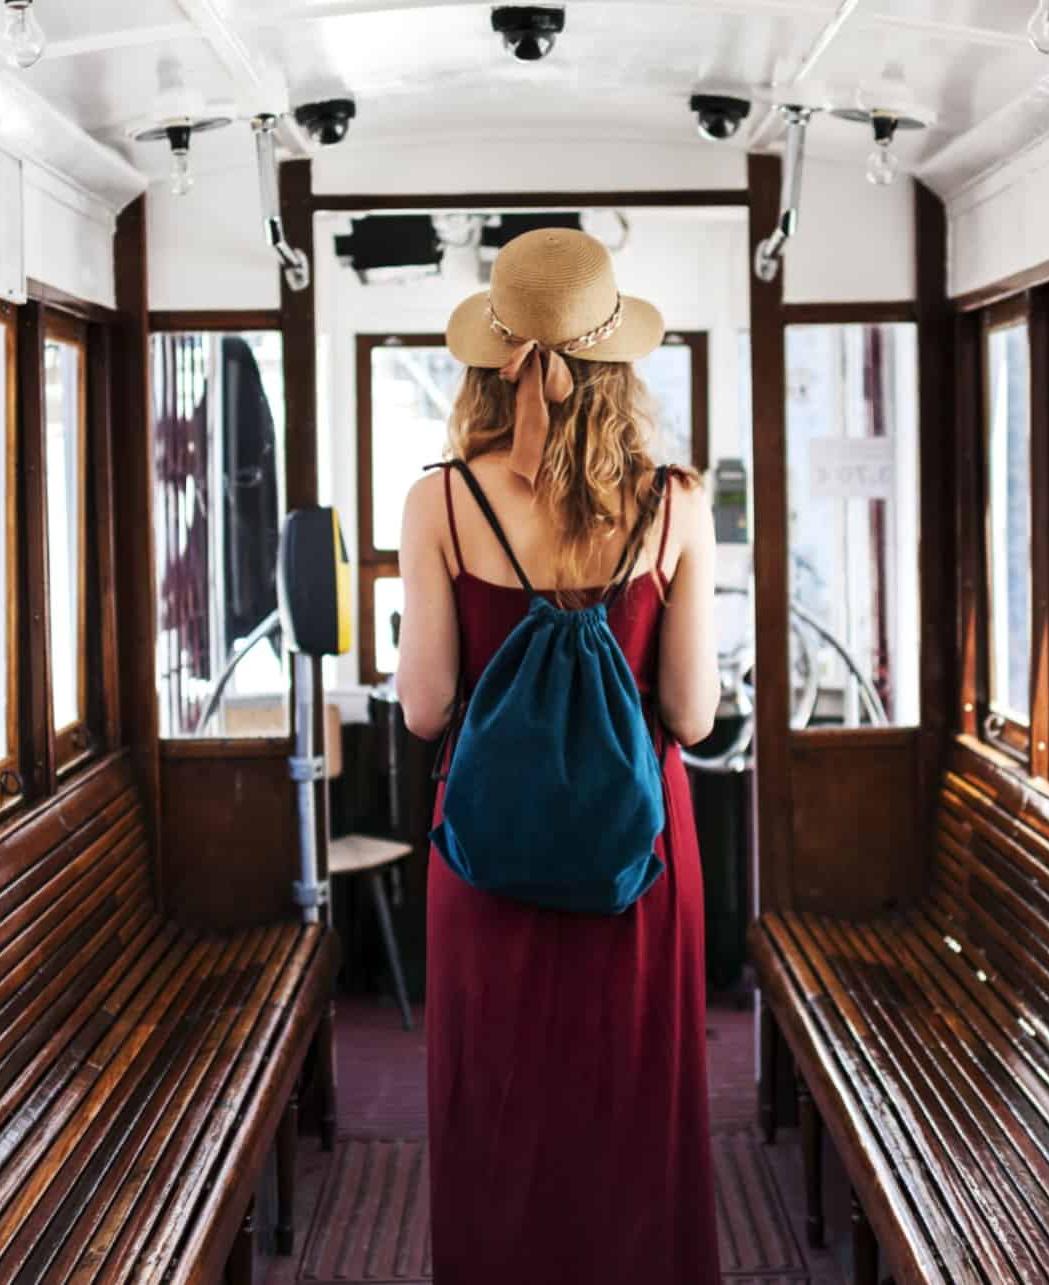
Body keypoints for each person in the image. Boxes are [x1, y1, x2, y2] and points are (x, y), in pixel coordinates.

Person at [395, 227, 721, 1284]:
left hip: (490, 852)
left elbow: (426, 707)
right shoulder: (674, 499)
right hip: (639, 862)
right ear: (616, 358)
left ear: (494, 361)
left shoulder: (440, 499)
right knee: (628, 1116)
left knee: (500, 1119)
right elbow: (692, 709)